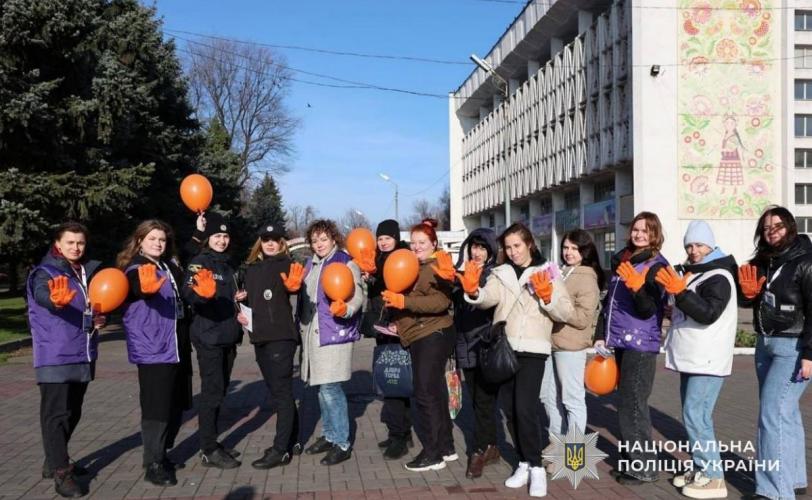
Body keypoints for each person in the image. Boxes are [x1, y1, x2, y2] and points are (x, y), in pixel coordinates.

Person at [462, 222, 573, 497]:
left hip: (534, 348)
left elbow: (566, 312)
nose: (512, 252)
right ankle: (523, 462)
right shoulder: (501, 272)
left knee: (525, 408)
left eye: (517, 246)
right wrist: (474, 291)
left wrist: (548, 298)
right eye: (508, 247)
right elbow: (489, 299)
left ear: (529, 244)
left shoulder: (547, 272)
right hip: (506, 347)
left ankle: (536, 468)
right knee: (510, 410)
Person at [655, 220, 737, 499]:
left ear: (710, 245)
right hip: (692, 357)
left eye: (699, 245)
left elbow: (708, 313)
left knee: (696, 416)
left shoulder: (719, 276)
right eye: (689, 245)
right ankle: (701, 467)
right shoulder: (697, 274)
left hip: (708, 358)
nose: (693, 250)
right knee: (694, 416)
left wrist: (681, 293)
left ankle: (714, 477)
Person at [738, 206, 812, 500]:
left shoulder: (806, 261)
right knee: (786, 414)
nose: (772, 232)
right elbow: (753, 301)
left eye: (778, 226)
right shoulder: (764, 261)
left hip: (792, 348)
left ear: (790, 227)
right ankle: (794, 479)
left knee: (772, 414)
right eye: (767, 227)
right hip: (764, 343)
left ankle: (774, 491)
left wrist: (810, 353)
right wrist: (748, 295)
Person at [27, 221, 104, 498]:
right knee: (56, 416)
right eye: (70, 242)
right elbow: (42, 295)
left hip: (82, 351)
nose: (75, 247)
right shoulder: (44, 272)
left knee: (74, 411)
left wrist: (97, 317)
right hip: (55, 354)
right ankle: (61, 473)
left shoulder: (83, 272)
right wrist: (54, 301)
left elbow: (87, 305)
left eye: (80, 242)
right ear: (58, 244)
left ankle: (54, 459)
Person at [593, 211, 670, 485]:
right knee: (627, 403)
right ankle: (632, 461)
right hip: (621, 340)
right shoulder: (625, 260)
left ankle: (645, 468)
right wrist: (601, 334)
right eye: (635, 229)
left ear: (654, 235)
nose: (638, 234)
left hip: (640, 343)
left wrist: (639, 289)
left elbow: (649, 308)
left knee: (633, 405)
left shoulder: (657, 266)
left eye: (645, 231)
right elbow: (609, 304)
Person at [117, 220, 193, 486]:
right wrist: (143, 291)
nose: (158, 244)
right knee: (156, 408)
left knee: (176, 403)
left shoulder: (168, 267)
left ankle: (162, 453)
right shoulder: (134, 268)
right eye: (152, 239)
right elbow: (134, 288)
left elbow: (187, 291)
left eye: (161, 239)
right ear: (139, 241)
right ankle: (153, 463)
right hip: (153, 348)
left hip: (176, 346)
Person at [382, 219, 457, 472]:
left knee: (425, 393)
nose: (416, 247)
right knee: (434, 392)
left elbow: (439, 302)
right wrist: (397, 322)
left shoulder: (438, 266)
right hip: (418, 334)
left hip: (433, 334)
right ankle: (446, 448)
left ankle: (433, 453)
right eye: (413, 242)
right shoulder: (412, 264)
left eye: (422, 242)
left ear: (433, 243)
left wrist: (403, 303)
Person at [299, 219, 365, 466]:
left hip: (334, 333)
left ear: (334, 239)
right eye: (315, 240)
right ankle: (329, 434)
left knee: (330, 389)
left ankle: (342, 442)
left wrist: (346, 308)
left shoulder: (345, 262)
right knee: (320, 388)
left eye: (323, 239)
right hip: (313, 335)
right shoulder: (311, 264)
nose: (319, 244)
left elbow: (358, 295)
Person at [182, 212, 244, 469]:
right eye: (217, 236)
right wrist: (201, 296)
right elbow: (188, 292)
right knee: (212, 393)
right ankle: (208, 449)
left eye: (225, 236)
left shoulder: (228, 265)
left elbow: (231, 297)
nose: (222, 240)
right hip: (208, 336)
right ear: (208, 238)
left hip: (229, 335)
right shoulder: (200, 261)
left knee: (219, 392)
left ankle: (212, 441)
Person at [238, 223, 303, 469]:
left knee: (282, 393)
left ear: (282, 242)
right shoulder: (251, 269)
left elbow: (299, 288)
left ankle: (280, 450)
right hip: (259, 337)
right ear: (260, 242)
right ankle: (293, 440)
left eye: (275, 239)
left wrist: (295, 289)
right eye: (266, 239)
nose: (270, 243)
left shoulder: (287, 265)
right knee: (277, 392)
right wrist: (241, 310)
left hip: (281, 338)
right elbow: (251, 301)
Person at [540, 230, 603, 446]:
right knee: (547, 396)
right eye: (566, 247)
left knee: (571, 400)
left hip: (571, 346)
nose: (569, 252)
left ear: (585, 251)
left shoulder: (586, 276)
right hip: (550, 342)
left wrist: (553, 305)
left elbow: (583, 318)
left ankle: (574, 450)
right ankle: (557, 441)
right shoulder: (563, 272)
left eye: (575, 248)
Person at [358, 219, 414, 460]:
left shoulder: (404, 258)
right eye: (379, 238)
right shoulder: (375, 261)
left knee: (397, 383)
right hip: (383, 329)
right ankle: (399, 433)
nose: (383, 242)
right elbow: (374, 294)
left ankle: (400, 437)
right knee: (390, 381)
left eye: (387, 238)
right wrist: (368, 277)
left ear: (395, 238)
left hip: (400, 329)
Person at [451, 228, 501, 478]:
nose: (477, 252)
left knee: (484, 401)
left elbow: (490, 304)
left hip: (486, 346)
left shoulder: (496, 275)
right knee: (475, 400)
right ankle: (491, 445)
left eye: (482, 247)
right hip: (464, 345)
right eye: (474, 246)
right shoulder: (461, 273)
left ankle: (479, 449)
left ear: (491, 250)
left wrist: (473, 290)